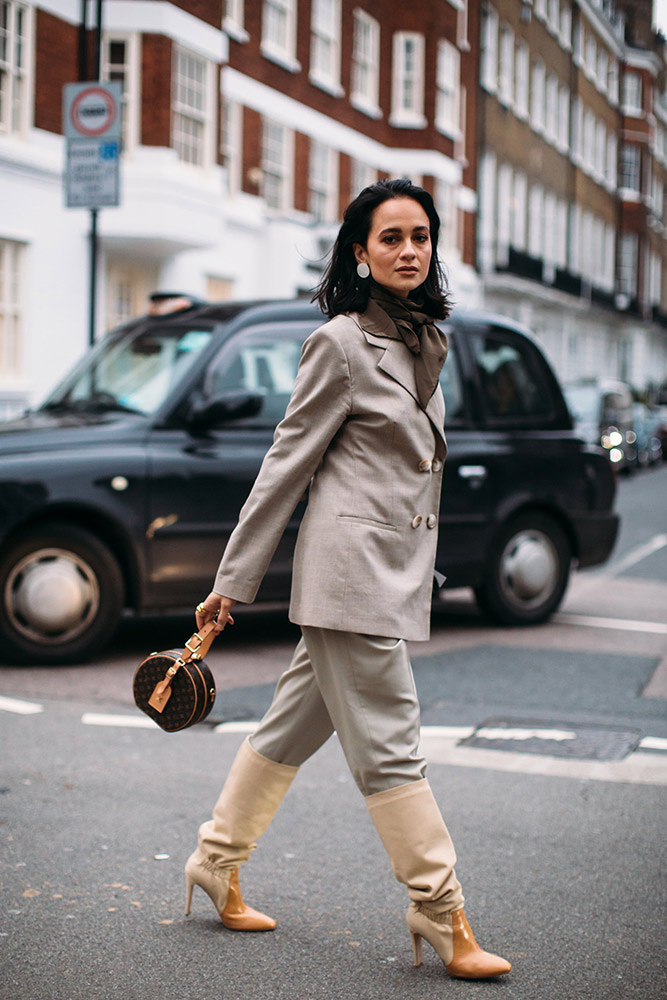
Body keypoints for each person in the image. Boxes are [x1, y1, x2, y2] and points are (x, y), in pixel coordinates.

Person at [187, 178, 511, 980]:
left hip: (387, 569)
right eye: (390, 237)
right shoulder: (339, 342)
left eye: (420, 237)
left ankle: (213, 862)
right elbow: (284, 465)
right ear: (359, 253)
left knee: (290, 727)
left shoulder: (419, 338)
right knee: (394, 746)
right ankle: (439, 910)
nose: (408, 250)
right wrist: (234, 579)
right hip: (349, 574)